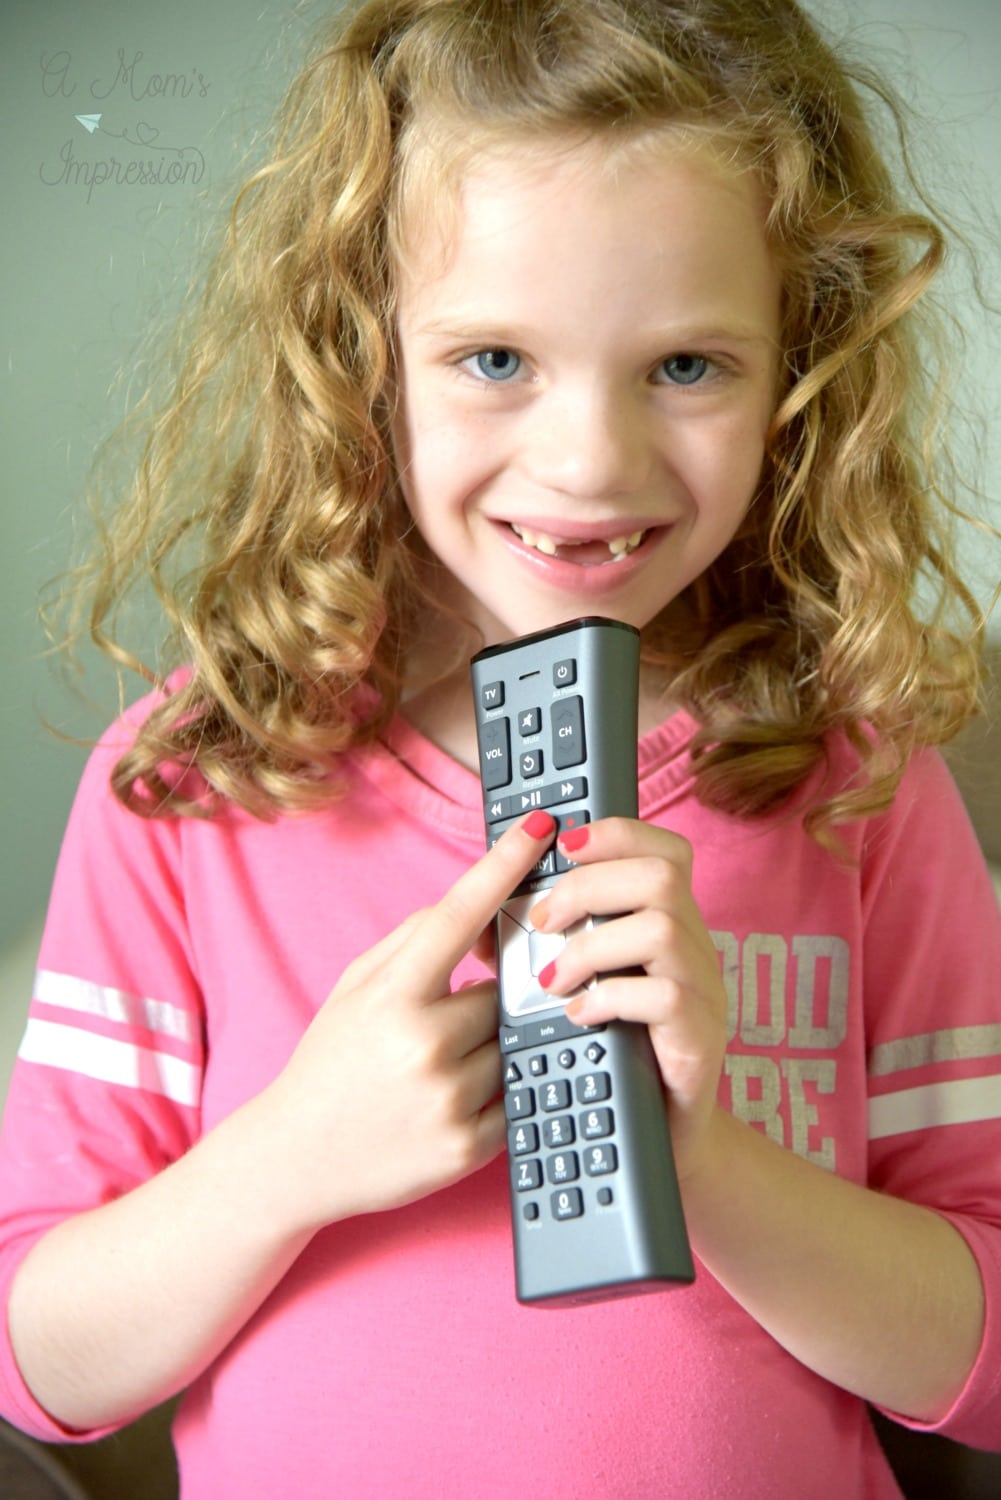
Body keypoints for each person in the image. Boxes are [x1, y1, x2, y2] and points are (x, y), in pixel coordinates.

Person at [1, 0, 999, 1493]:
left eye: (686, 367)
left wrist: (703, 1168)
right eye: (490, 359)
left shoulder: (857, 779)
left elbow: (978, 1372)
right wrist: (291, 1157)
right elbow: (38, 1363)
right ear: (358, 356)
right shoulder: (188, 784)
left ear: (799, 368)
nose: (589, 460)